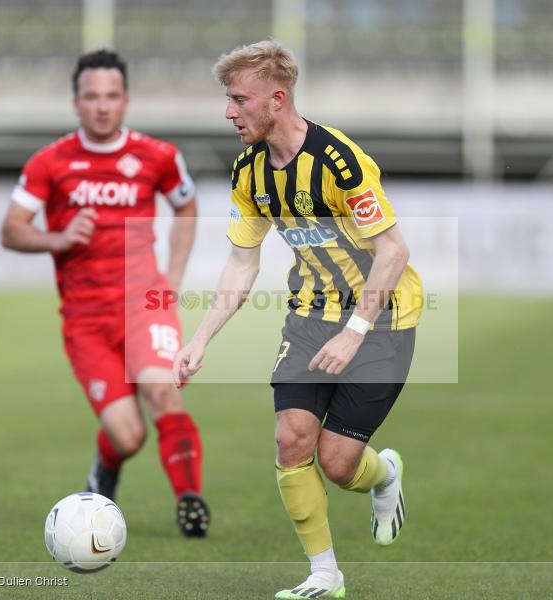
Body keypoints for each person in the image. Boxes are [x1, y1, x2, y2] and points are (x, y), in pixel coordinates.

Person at [173, 40, 423, 597]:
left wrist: (355, 332)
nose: (229, 112)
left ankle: (385, 475)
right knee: (291, 439)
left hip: (382, 320)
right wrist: (201, 339)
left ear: (277, 99)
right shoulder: (249, 171)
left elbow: (394, 251)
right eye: (228, 100)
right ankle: (324, 575)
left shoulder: (339, 161)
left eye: (240, 99)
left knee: (337, 464)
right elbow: (243, 262)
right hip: (309, 316)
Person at [1, 49, 210, 538]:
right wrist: (58, 238)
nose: (101, 106)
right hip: (86, 319)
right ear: (76, 102)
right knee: (128, 435)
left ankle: (190, 501)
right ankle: (106, 467)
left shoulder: (158, 156)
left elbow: (186, 206)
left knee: (163, 392)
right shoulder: (49, 162)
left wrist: (173, 277)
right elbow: (11, 229)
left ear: (126, 100)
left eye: (111, 96)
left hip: (145, 305)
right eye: (92, 96)